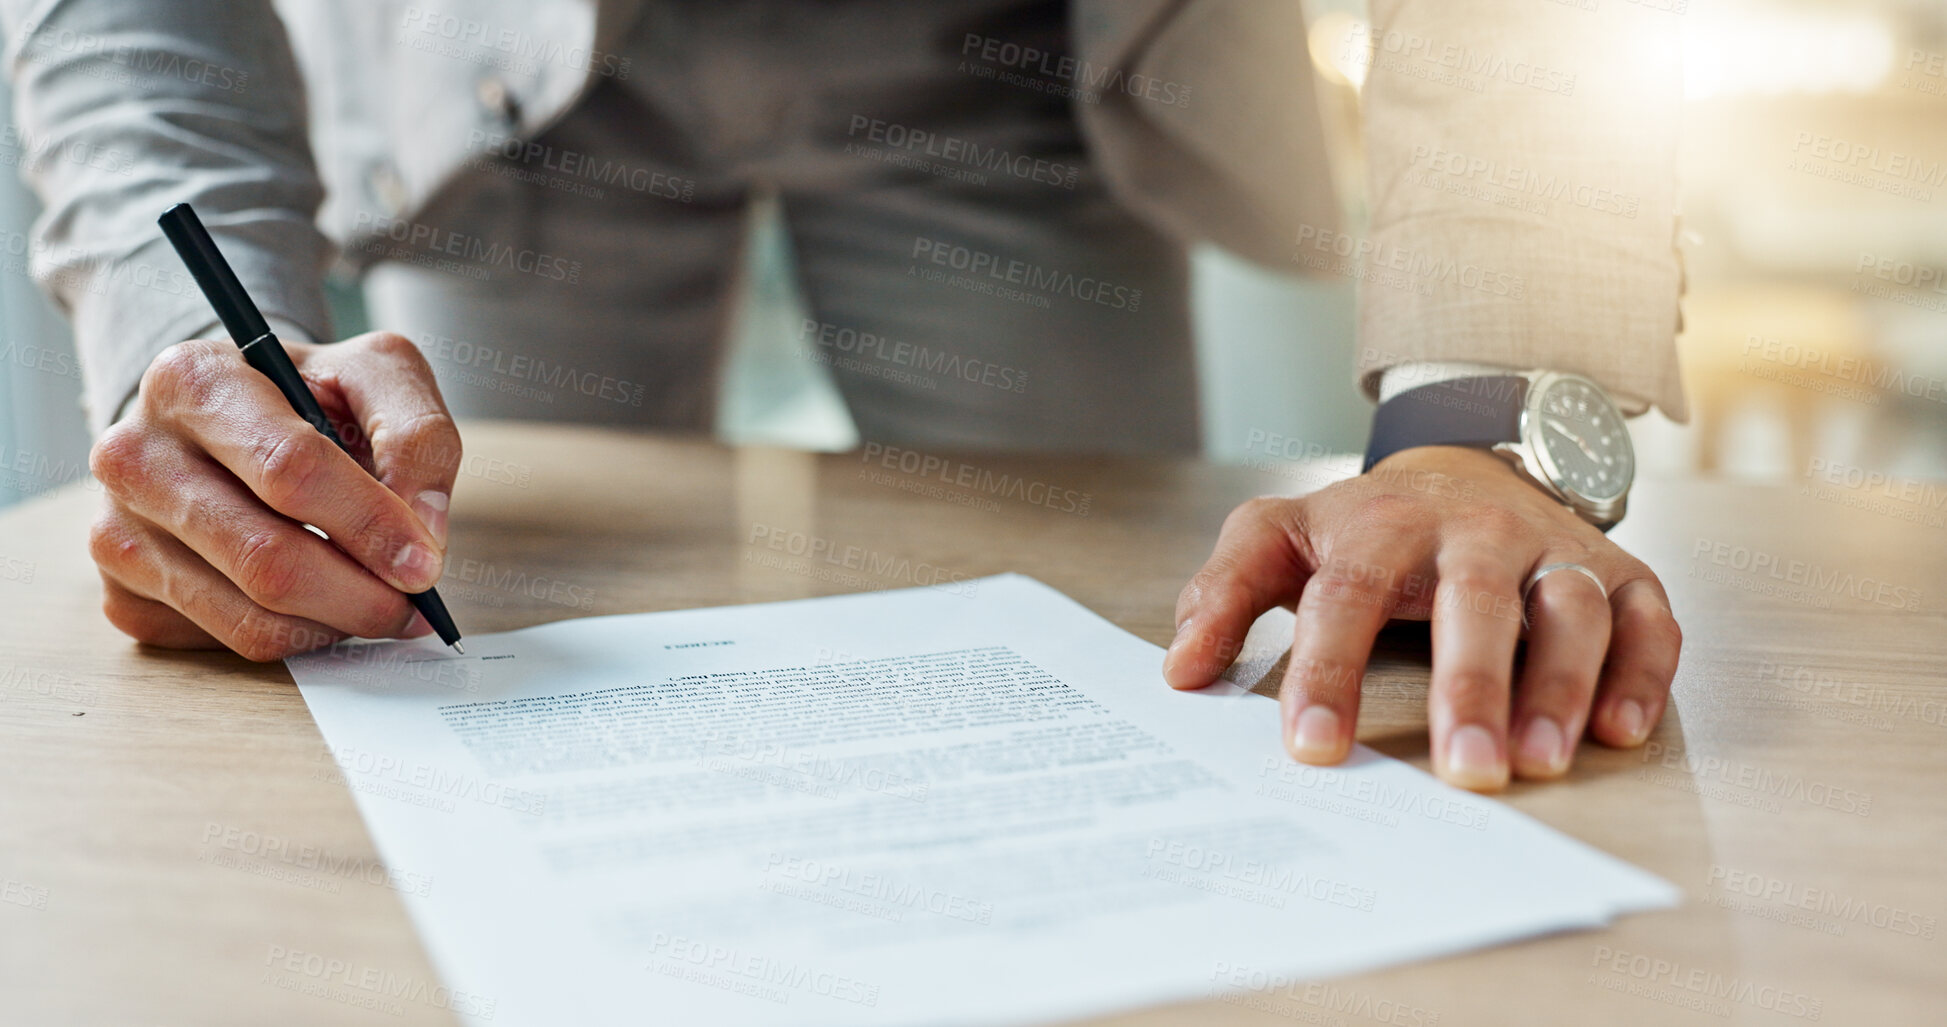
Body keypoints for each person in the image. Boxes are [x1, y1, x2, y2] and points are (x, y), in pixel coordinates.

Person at [2, 0, 1684, 792]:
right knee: (370, 593)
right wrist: (195, 353)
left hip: (1020, 61)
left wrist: (1488, 403)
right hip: (512, 73)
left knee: (1128, 683)